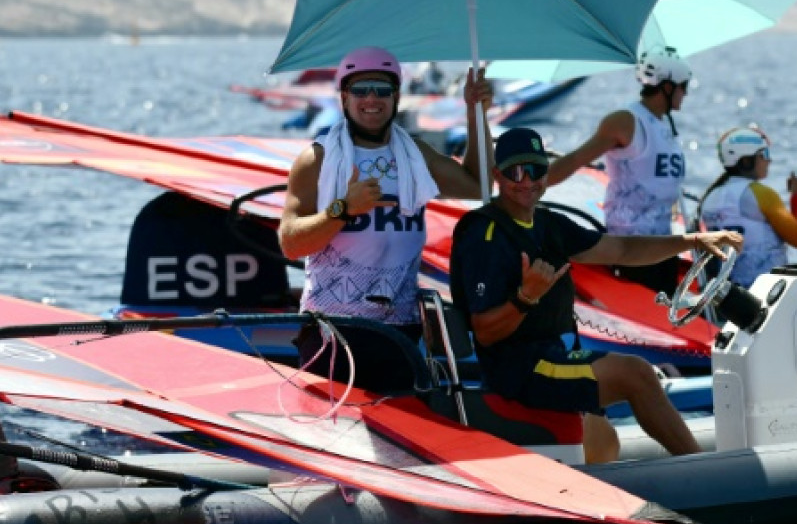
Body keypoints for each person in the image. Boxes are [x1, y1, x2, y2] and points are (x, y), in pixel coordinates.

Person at [450, 127, 743, 463]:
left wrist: (690, 242)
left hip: (550, 355)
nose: (527, 181)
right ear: (497, 175)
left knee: (603, 441)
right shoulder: (485, 235)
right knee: (636, 374)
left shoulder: (547, 224)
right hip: (521, 369)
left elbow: (619, 249)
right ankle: (706, 473)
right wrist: (525, 297)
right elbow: (485, 331)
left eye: (537, 170)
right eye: (517, 172)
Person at [278, 46, 490, 392]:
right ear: (345, 97)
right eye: (361, 90)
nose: (371, 99)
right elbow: (290, 242)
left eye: (382, 89)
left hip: (399, 332)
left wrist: (475, 113)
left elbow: (478, 184)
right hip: (332, 331)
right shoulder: (315, 159)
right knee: (333, 441)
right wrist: (343, 209)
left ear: (396, 96)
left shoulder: (416, 154)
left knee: (401, 440)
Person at [543, 47, 693, 295]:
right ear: (666, 86)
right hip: (630, 247)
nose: (685, 92)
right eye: (683, 86)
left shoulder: (663, 123)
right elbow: (575, 160)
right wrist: (532, 185)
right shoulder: (625, 121)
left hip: (660, 243)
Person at [695, 127, 797, 287]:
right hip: (764, 290)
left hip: (726, 292)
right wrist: (796, 196)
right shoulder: (763, 194)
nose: (769, 160)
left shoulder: (709, 198)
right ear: (746, 160)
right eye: (764, 154)